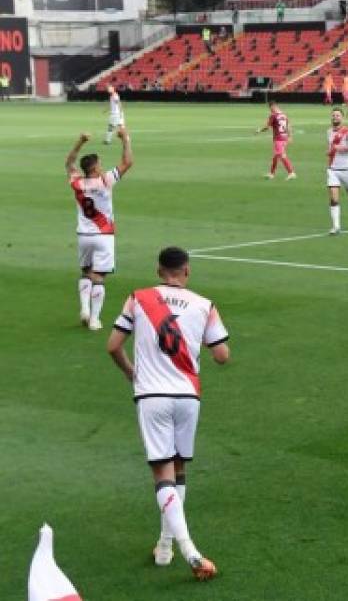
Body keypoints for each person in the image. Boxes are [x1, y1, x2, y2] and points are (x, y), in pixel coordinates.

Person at [105, 246, 229, 580]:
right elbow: (221, 355)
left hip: (152, 395)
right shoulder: (204, 305)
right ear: (187, 271)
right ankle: (164, 545)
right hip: (188, 395)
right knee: (178, 468)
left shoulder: (138, 298)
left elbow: (113, 346)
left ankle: (189, 551)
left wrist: (132, 373)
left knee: (162, 474)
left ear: (159, 272)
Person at [66, 128, 133, 331]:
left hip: (83, 235)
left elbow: (69, 163)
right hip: (104, 235)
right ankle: (94, 319)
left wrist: (80, 141)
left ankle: (84, 309)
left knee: (86, 272)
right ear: (95, 168)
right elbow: (127, 162)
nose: (102, 167)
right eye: (100, 164)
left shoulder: (77, 183)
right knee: (99, 277)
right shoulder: (105, 181)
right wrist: (125, 139)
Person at [257, 101, 295, 180]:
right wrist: (290, 136)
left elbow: (267, 127)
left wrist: (259, 130)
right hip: (285, 138)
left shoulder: (273, 116)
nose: (270, 110)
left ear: (273, 106)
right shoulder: (284, 115)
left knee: (281, 155)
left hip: (278, 139)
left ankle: (291, 172)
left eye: (270, 108)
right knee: (275, 156)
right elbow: (289, 126)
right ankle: (271, 174)